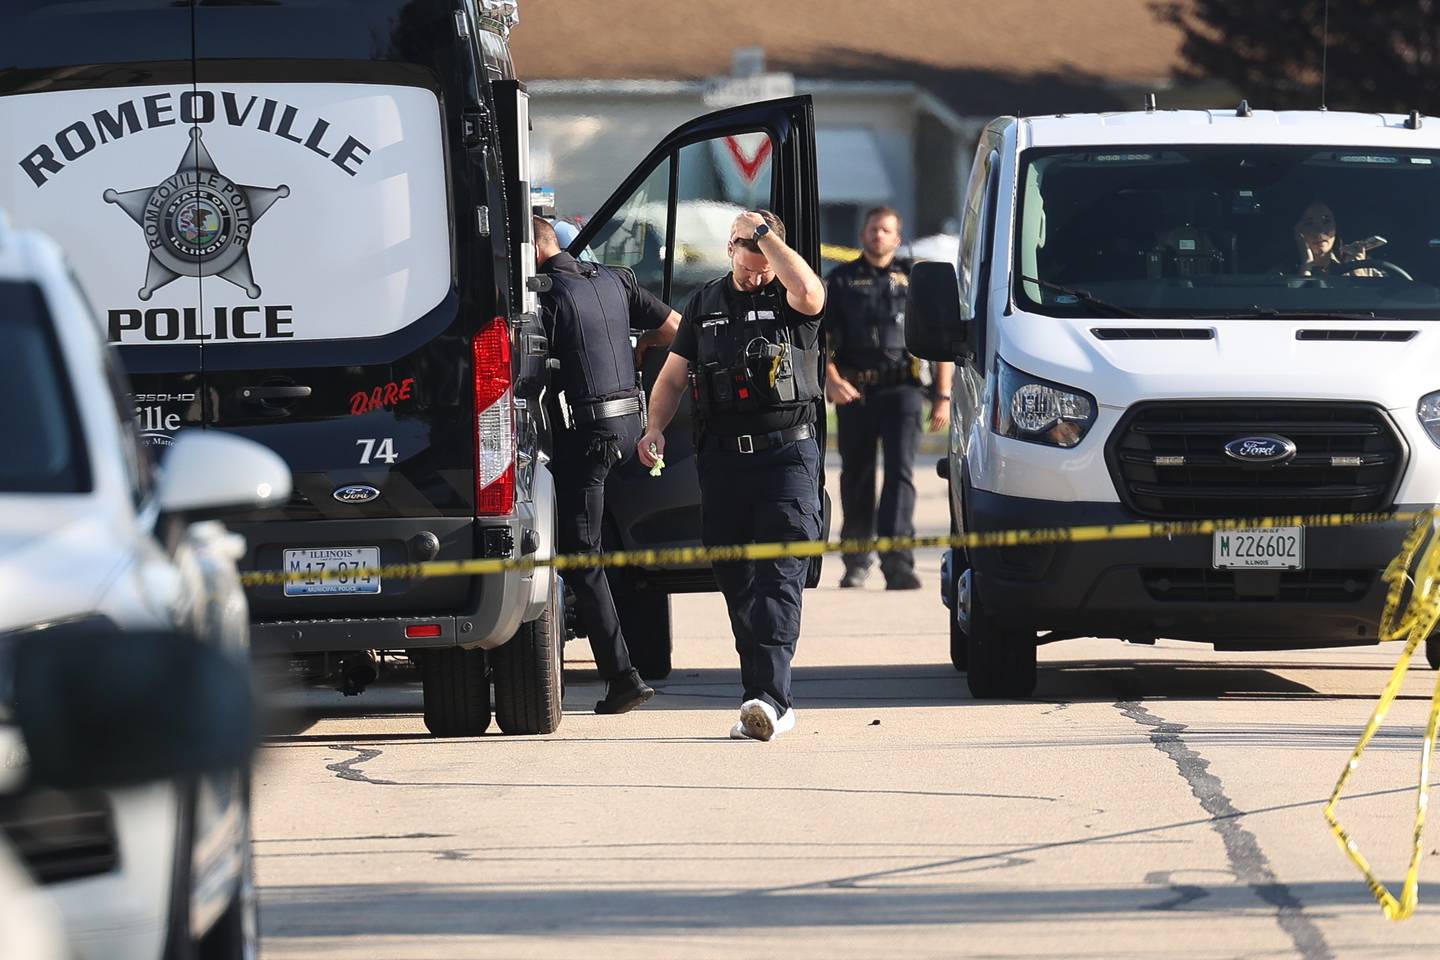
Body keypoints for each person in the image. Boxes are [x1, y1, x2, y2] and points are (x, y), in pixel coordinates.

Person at [636, 210, 826, 742]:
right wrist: (654, 429)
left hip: (786, 458)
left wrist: (766, 235)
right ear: (729, 248)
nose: (757, 268)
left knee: (779, 574)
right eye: (748, 254)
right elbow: (673, 378)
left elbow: (810, 290)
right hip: (722, 461)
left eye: (767, 257)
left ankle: (773, 699)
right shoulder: (705, 303)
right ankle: (760, 695)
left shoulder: (791, 299)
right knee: (737, 580)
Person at [533, 216, 679, 714]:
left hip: (587, 436)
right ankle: (630, 658)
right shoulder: (615, 279)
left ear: (533, 251)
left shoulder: (546, 296)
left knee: (581, 556)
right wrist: (639, 349)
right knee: (605, 542)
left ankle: (623, 677)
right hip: (628, 428)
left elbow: (519, 372)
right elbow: (675, 328)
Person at [824, 207, 953, 591]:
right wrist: (831, 381)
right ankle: (857, 560)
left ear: (897, 237)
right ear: (863, 235)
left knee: (900, 475)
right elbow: (821, 340)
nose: (879, 236)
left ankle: (897, 562)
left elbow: (940, 340)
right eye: (873, 229)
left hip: (905, 391)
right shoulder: (841, 280)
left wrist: (943, 396)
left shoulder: (915, 278)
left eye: (886, 230)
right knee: (857, 474)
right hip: (856, 391)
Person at [1292, 200, 1379, 277]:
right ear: (1297, 230)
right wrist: (1306, 265)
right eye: (1310, 223)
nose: (1320, 230)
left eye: (1326, 221)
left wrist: (1357, 269)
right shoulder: (1282, 274)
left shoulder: (1366, 267)